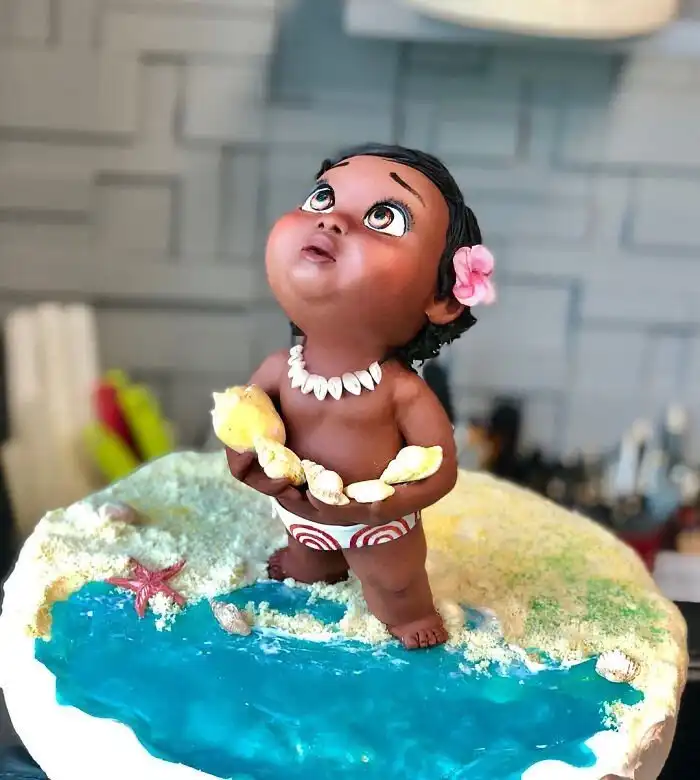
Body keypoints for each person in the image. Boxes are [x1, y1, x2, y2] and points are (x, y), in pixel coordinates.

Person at [226, 143, 495, 649]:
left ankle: (409, 612)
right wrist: (246, 459)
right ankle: (314, 565)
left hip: (378, 527)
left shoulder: (401, 391)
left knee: (394, 582)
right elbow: (242, 423)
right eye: (322, 198)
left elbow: (439, 467)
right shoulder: (279, 370)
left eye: (384, 217)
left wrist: (383, 507)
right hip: (301, 513)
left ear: (441, 298)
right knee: (307, 556)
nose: (331, 220)